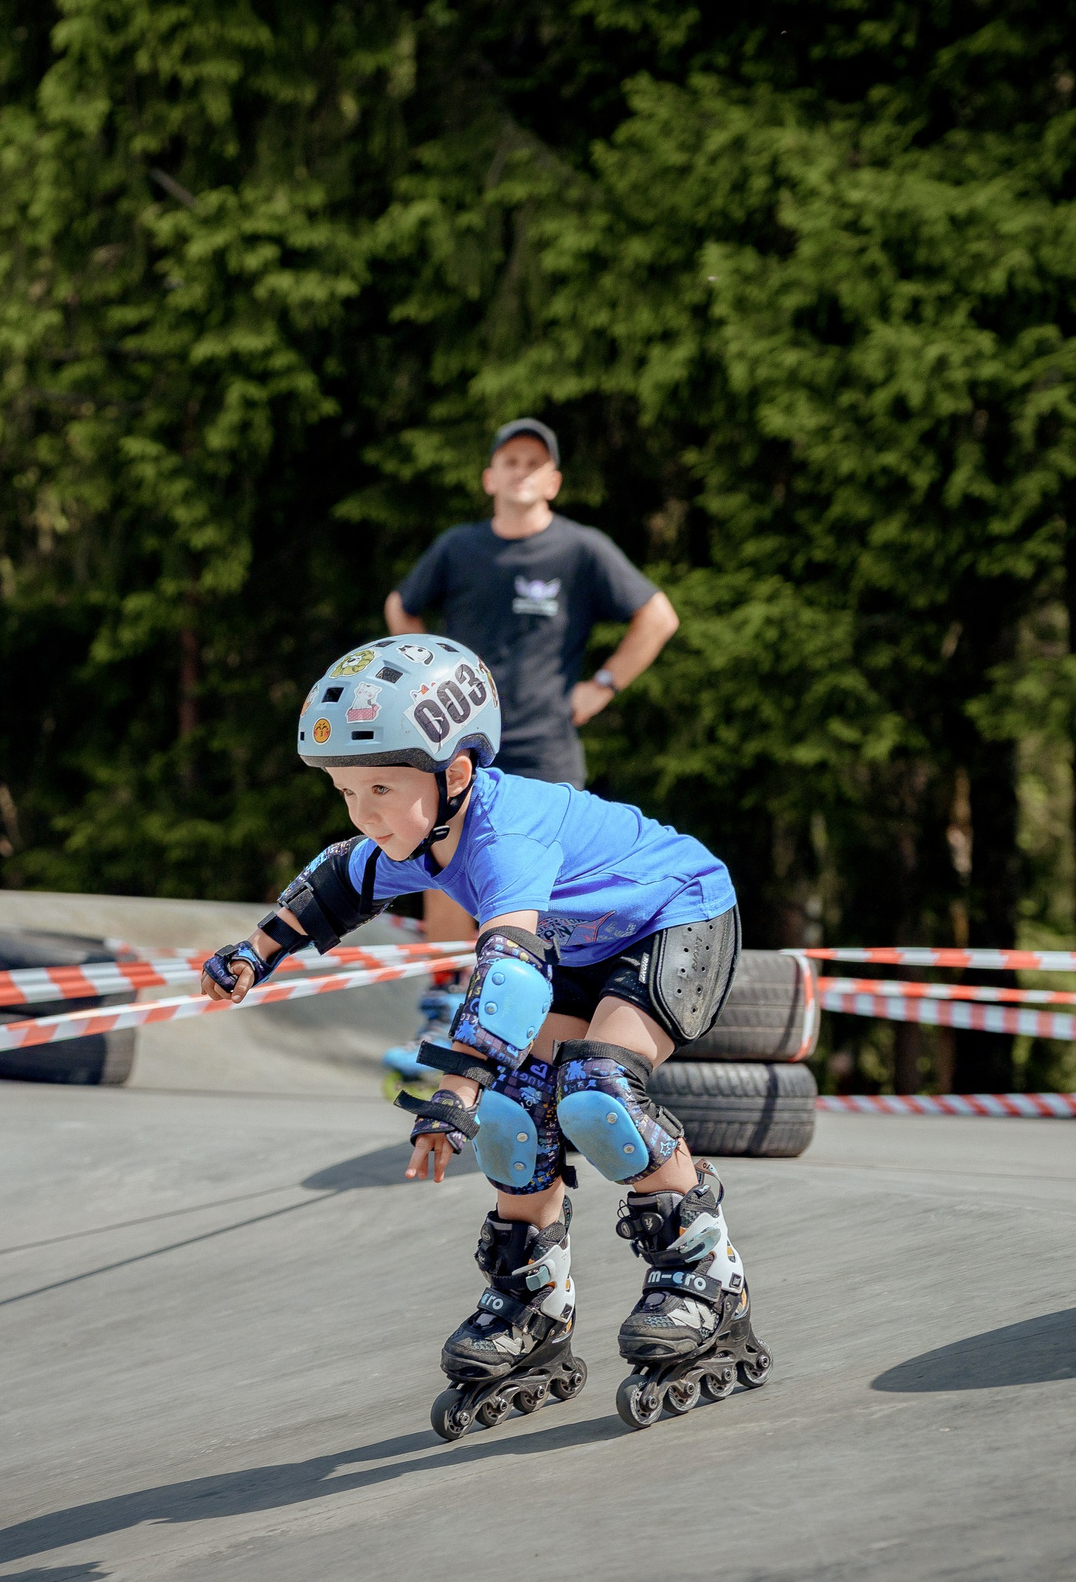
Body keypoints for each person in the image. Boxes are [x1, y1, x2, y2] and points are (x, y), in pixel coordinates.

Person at [203, 635, 770, 1436]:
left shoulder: (506, 837)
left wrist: (453, 1088)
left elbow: (510, 971)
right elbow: (339, 878)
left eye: (379, 788)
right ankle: (532, 1300)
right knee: (514, 1112)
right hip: (577, 943)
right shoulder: (425, 828)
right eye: (345, 790)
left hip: (677, 917)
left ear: (456, 772)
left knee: (599, 1090)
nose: (364, 811)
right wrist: (253, 952)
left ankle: (706, 1277)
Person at [386, 418, 678, 943]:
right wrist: (421, 679)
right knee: (445, 855)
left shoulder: (580, 549)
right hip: (461, 740)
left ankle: (539, 997)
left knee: (547, 870)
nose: (521, 472)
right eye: (510, 462)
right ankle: (444, 997)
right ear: (489, 479)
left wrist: (604, 684)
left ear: (553, 483)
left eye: (533, 464)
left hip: (545, 742)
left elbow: (659, 616)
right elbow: (400, 608)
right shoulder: (458, 547)